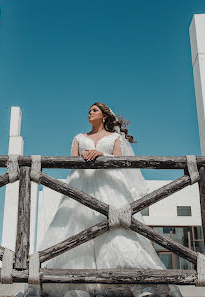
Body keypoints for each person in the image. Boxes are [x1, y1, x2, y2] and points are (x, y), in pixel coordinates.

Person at [34, 103, 183, 297]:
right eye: (88, 110)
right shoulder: (79, 137)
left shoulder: (114, 138)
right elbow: (70, 162)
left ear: (104, 116)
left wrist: (101, 154)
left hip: (109, 188)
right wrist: (82, 157)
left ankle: (134, 280)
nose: (90, 113)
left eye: (94, 110)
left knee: (118, 232)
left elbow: (119, 162)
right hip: (82, 187)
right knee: (75, 230)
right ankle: (74, 282)